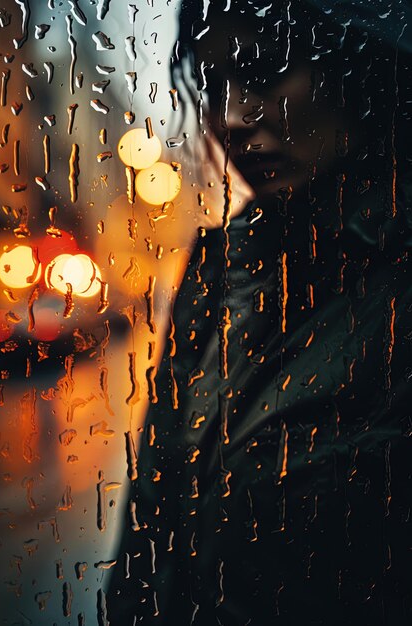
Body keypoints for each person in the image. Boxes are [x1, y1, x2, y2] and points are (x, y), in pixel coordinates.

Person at [107, 1, 412, 624]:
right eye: (214, 87)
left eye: (268, 70)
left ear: (364, 65)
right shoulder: (221, 272)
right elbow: (150, 532)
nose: (232, 117)